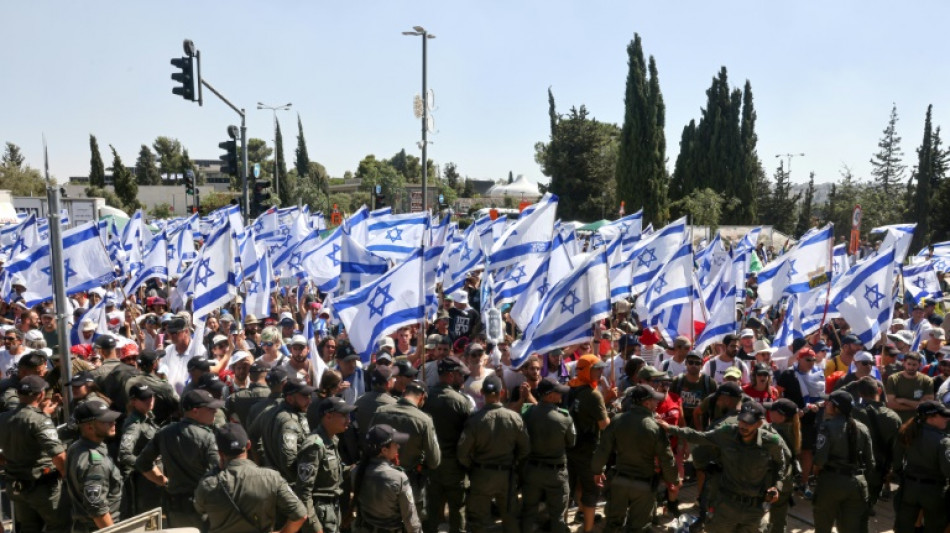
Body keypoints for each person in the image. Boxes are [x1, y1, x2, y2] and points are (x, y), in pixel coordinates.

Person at [660, 401, 787, 533]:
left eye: (748, 423)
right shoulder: (727, 433)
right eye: (741, 420)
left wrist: (777, 486)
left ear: (759, 423)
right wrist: (670, 428)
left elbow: (781, 464)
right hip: (726, 506)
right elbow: (699, 436)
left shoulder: (772, 442)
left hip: (754, 509)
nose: (742, 425)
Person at [593, 385, 679, 532]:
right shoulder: (655, 427)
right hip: (643, 486)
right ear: (646, 403)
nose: (657, 403)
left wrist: (597, 470)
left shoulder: (617, 420)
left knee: (613, 525)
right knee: (639, 527)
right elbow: (667, 458)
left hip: (619, 482)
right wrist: (673, 480)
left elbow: (603, 448)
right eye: (654, 400)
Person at [195, 423, 308, 533]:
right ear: (248, 445)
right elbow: (300, 515)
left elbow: (199, 508)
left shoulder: (208, 484)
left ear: (220, 453)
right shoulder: (271, 478)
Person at [135, 389, 222, 529]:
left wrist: (163, 481)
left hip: (175, 506)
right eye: (210, 409)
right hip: (203, 507)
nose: (215, 412)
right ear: (195, 411)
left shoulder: (164, 432)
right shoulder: (207, 437)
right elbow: (220, 471)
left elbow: (142, 463)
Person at [456, 375, 529, 533]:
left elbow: (462, 452)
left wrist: (472, 467)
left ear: (482, 392)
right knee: (510, 519)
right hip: (507, 475)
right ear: (502, 392)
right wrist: (514, 462)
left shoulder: (474, 421)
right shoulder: (514, 418)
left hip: (481, 475)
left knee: (479, 522)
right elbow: (525, 448)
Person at [0, 375, 70, 533]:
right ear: (41, 395)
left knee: (29, 528)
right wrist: (69, 480)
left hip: (16, 486)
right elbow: (59, 456)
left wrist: (8, 461)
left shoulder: (3, 418)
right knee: (61, 525)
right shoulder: (40, 420)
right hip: (42, 487)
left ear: (19, 395)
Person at [370, 379, 441, 520]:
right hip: (410, 483)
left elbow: (369, 444)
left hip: (381, 480)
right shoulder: (424, 420)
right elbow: (435, 461)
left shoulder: (380, 412)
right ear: (422, 398)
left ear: (404, 392)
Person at [811, 389, 875, 533]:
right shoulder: (863, 428)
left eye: (829, 403)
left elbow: (820, 460)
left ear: (836, 407)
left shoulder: (827, 427)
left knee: (823, 527)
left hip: (831, 482)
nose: (826, 404)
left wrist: (816, 473)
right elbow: (871, 462)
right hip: (857, 484)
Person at [519, 377, 575, 533]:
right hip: (556, 472)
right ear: (550, 395)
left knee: (529, 512)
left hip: (532, 470)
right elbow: (571, 442)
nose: (561, 396)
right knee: (557, 515)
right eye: (558, 393)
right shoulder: (564, 418)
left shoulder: (528, 413)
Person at [422, 356, 472, 533]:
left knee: (433, 510)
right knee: (457, 510)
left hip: (432, 463)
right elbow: (469, 435)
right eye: (460, 375)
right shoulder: (461, 401)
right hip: (455, 465)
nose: (462, 379)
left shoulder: (426, 398)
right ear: (451, 375)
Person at [296, 397, 357, 533]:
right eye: (344, 415)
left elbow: (332, 472)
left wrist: (355, 468)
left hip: (331, 510)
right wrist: (315, 527)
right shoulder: (315, 445)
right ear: (328, 416)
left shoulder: (331, 440)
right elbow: (303, 492)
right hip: (319, 515)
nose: (349, 420)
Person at [566, 354, 609, 532]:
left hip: (570, 448)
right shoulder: (594, 395)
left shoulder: (570, 389)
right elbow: (604, 425)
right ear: (586, 371)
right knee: (591, 490)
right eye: (596, 368)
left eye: (601, 368)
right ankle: (588, 529)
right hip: (589, 450)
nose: (600, 372)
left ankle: (577, 515)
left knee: (574, 486)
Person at [64, 400, 123, 532]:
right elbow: (97, 509)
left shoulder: (76, 447)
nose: (113, 423)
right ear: (89, 427)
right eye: (106, 421)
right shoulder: (94, 463)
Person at [892, 400, 950, 533]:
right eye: (943, 415)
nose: (947, 418)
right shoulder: (943, 441)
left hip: (909, 487)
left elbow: (896, 459)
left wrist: (901, 475)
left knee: (904, 527)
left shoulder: (907, 432)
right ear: (931, 418)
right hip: (934, 491)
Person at [351, 424, 422, 533]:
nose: (398, 446)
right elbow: (410, 519)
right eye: (395, 444)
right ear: (384, 450)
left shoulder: (356, 472)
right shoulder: (398, 477)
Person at [851, 376, 902, 514]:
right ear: (879, 390)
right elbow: (897, 448)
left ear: (859, 393)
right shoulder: (892, 417)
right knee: (867, 505)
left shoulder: (853, 412)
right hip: (878, 469)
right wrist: (895, 469)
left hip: (853, 467)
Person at [117, 383, 162, 517]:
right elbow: (124, 454)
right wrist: (145, 466)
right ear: (134, 402)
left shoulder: (147, 417)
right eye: (144, 398)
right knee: (150, 519)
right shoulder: (134, 424)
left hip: (153, 476)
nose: (149, 400)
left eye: (151, 396)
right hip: (144, 481)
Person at [262, 377, 316, 482]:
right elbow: (289, 462)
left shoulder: (272, 411)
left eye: (310, 395)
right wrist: (302, 484)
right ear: (290, 399)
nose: (310, 400)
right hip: (288, 485)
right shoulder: (289, 423)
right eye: (305, 396)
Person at [763, 399, 801, 533]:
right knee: (779, 519)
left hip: (770, 480)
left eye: (772, 410)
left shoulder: (771, 431)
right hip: (786, 481)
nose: (769, 412)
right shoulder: (795, 429)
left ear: (781, 416)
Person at [353, 366, 398, 449]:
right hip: (385, 451)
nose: (394, 381)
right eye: (392, 379)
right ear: (388, 384)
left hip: (364, 450)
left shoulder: (358, 401)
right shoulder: (394, 405)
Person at [671, 350, 717, 429]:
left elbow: (715, 407)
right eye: (691, 362)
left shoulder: (709, 383)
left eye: (697, 363)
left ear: (702, 364)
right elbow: (671, 404)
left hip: (701, 428)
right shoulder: (678, 381)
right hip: (680, 428)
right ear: (686, 363)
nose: (694, 365)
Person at [886, 351, 935, 422]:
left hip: (918, 422)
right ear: (904, 363)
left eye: (914, 365)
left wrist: (903, 400)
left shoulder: (927, 380)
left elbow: (927, 405)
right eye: (909, 364)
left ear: (920, 365)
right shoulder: (893, 379)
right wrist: (916, 406)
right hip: (897, 421)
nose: (911, 367)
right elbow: (891, 404)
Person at [225, 359, 271, 425]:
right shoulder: (275, 395)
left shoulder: (233, 398)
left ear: (250, 376)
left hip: (242, 433)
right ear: (267, 375)